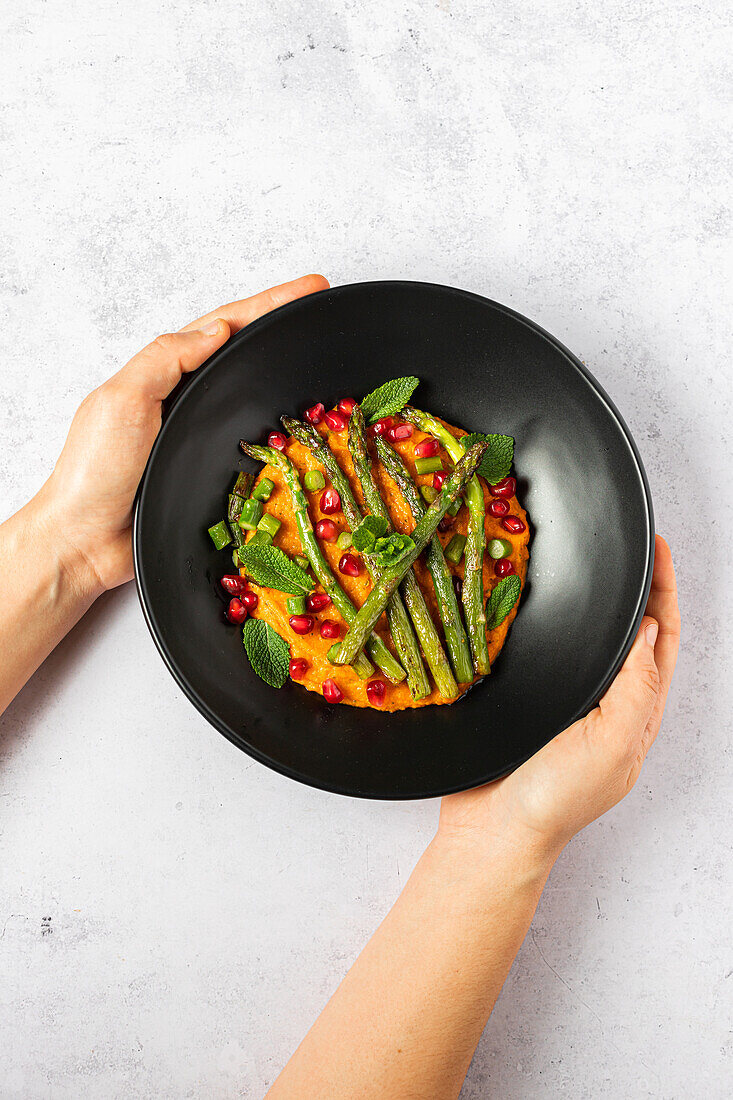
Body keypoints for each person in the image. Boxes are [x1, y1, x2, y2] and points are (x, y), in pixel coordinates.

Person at [0, 275, 680, 1100]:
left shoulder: (437, 494)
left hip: (426, 649)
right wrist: (501, 844)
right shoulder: (288, 531)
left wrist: (66, 546)